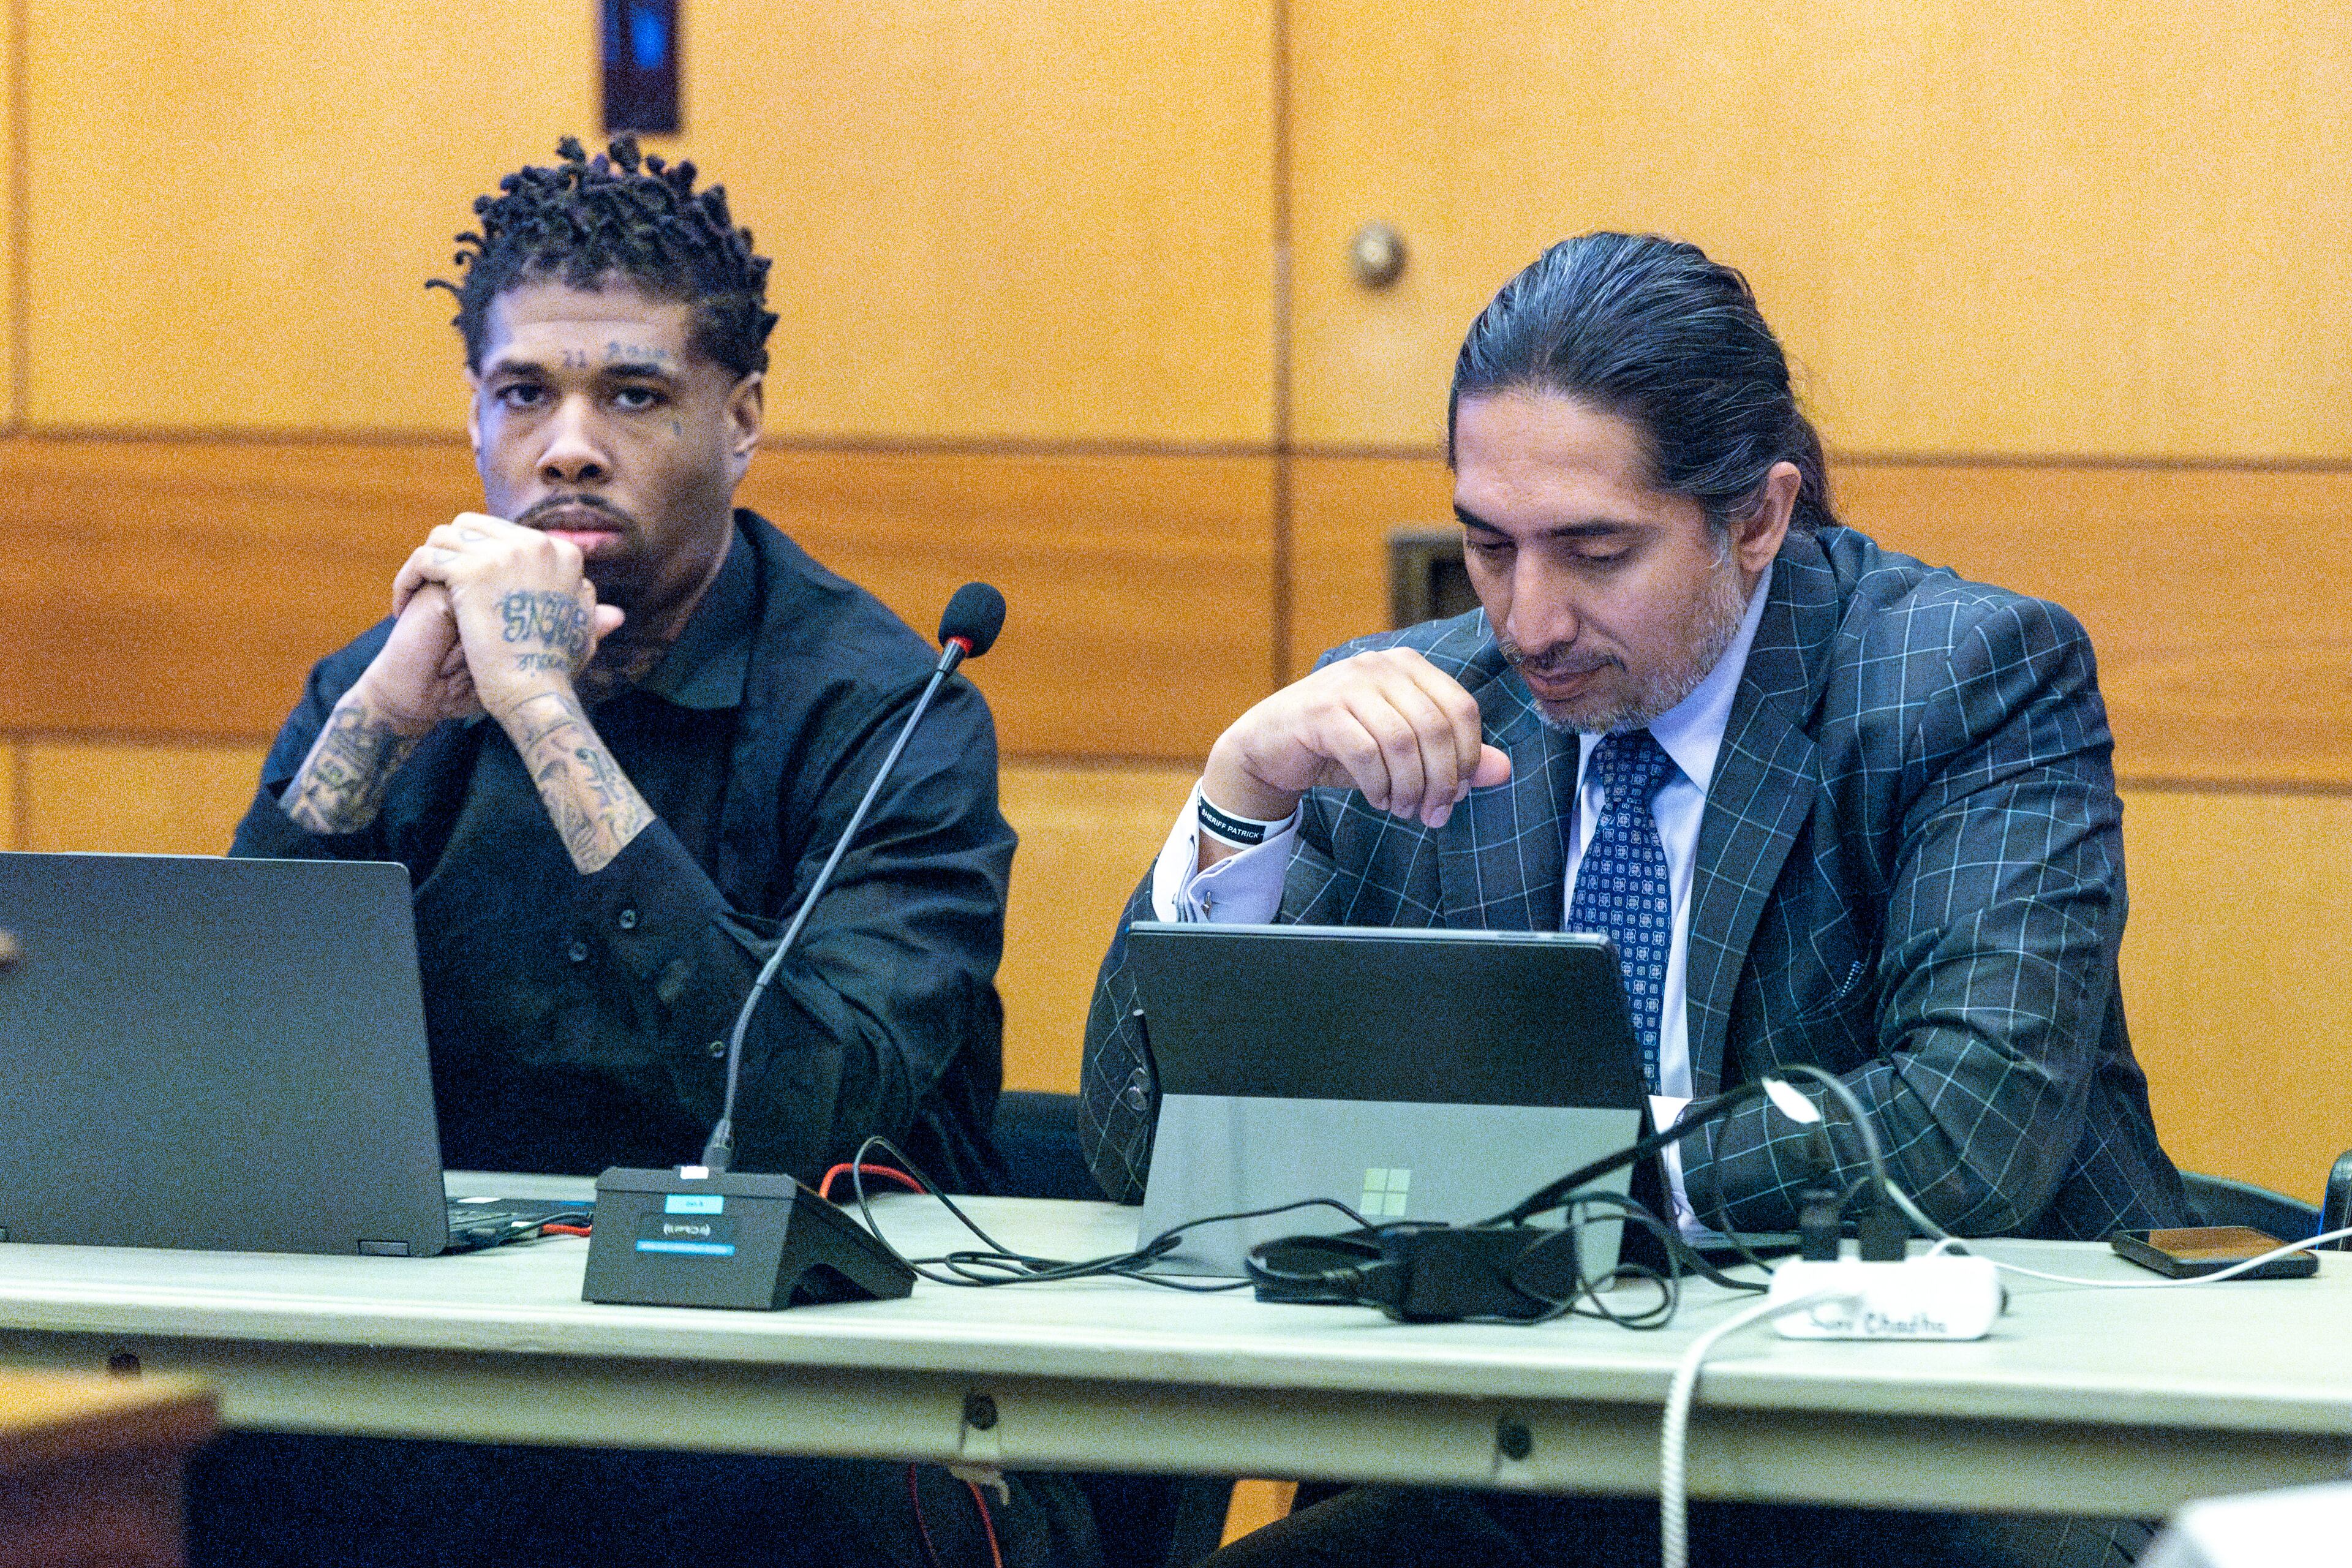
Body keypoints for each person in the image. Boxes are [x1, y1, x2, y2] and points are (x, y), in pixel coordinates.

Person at [1081, 233, 2188, 1567]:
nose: (1527, 618)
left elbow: (1972, 1123)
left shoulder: (1964, 679)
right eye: (1488, 546)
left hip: (1946, 1452)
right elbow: (1140, 1149)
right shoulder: (1412, 710)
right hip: (1532, 1456)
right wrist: (1237, 803)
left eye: (1595, 551)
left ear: (1760, 518)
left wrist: (1547, 1158)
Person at [205, 136, 1099, 1568]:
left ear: (740, 419)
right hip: (446, 1366)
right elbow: (219, 1055)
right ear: (476, 419)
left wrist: (544, 712)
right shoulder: (386, 685)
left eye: (631, 393)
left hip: (817, 1393)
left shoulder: (890, 708)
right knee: (188, 1471)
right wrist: (382, 710)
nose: (567, 441)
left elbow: (788, 1102)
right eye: (524, 393)